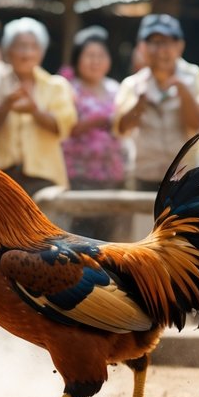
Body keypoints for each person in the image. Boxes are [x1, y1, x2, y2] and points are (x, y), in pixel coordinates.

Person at [113, 14, 199, 240]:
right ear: (143, 48)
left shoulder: (193, 76)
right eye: (154, 42)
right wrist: (140, 102)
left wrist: (183, 91)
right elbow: (121, 128)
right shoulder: (133, 84)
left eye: (167, 42)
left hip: (183, 180)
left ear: (179, 45)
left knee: (184, 246)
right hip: (145, 178)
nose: (161, 49)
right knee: (144, 244)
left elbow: (198, 124)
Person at [0, 17, 77, 194]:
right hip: (3, 175)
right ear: (8, 51)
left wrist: (34, 111)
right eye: (20, 46)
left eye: (33, 46)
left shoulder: (56, 85)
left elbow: (63, 128)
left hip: (45, 178)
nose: (27, 53)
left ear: (41, 52)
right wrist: (6, 104)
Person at [61, 26, 124, 239]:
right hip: (79, 176)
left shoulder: (116, 88)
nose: (95, 61)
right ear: (77, 58)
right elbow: (65, 128)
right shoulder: (68, 89)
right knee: (81, 237)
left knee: (109, 237)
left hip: (113, 175)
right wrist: (98, 121)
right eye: (89, 55)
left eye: (100, 55)